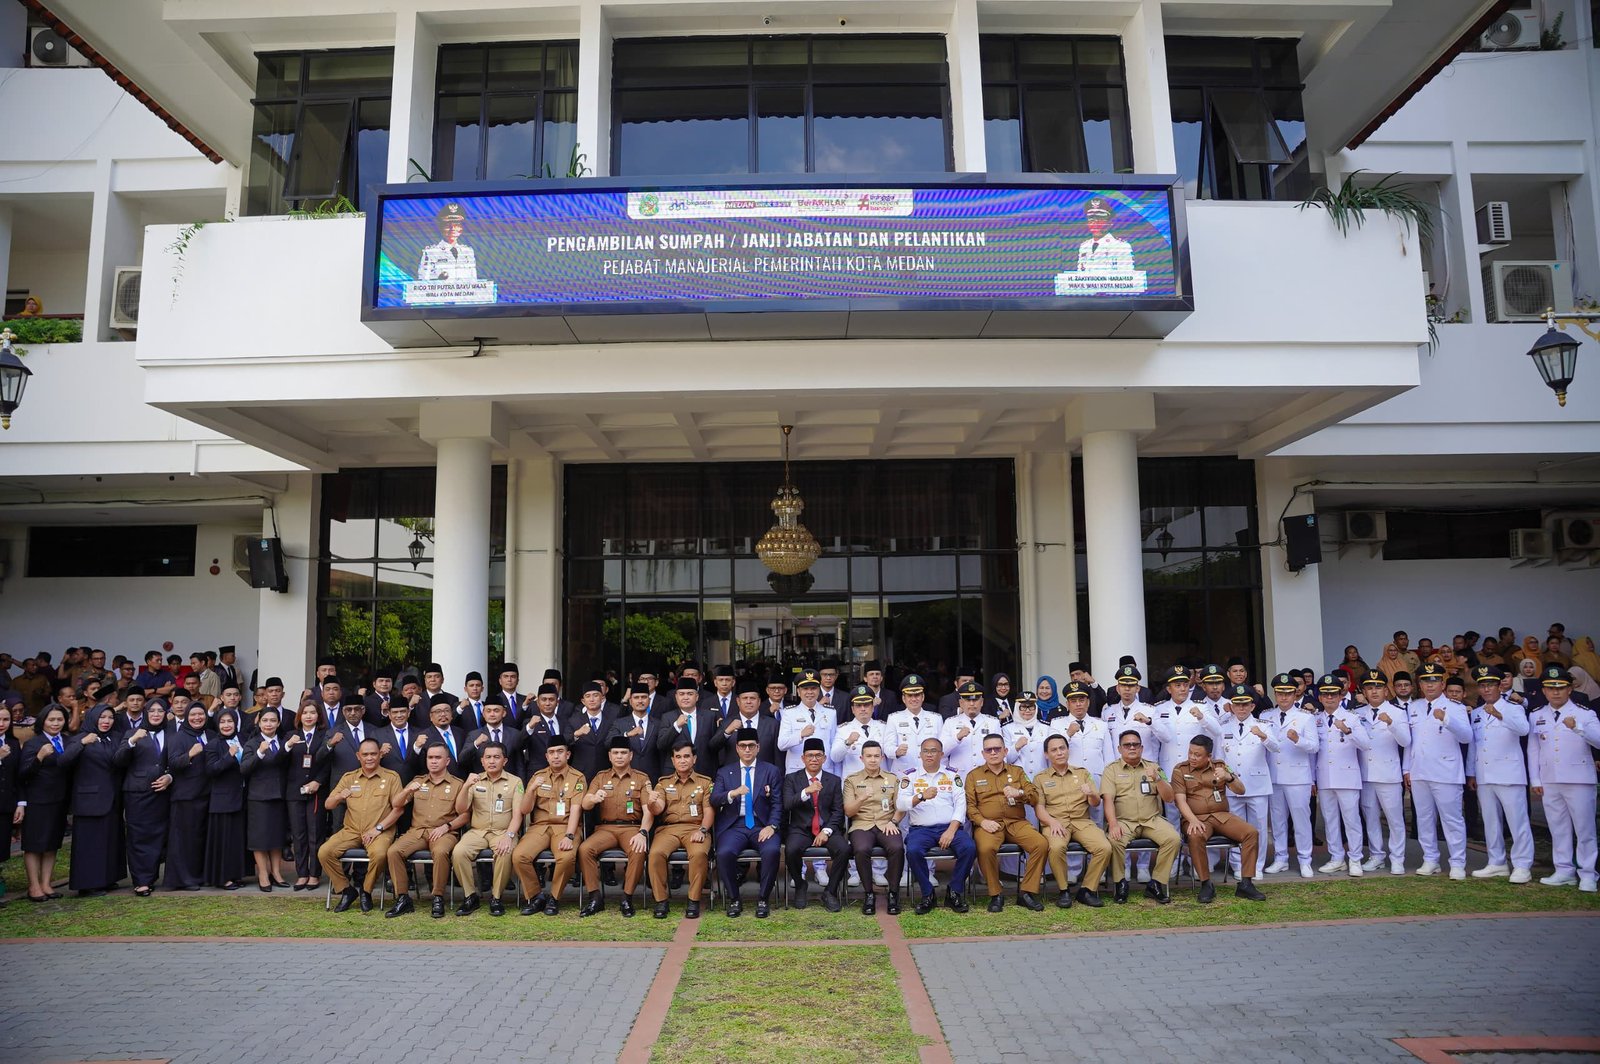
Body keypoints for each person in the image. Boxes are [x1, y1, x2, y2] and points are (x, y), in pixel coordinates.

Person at [1526, 665, 1600, 892]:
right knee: (1558, 828)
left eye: (1560, 687)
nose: (1555, 692)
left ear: (1570, 689)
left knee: (1584, 829)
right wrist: (1536, 780)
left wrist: (1578, 728)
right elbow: (1533, 749)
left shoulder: (1584, 713)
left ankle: (1588, 873)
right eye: (1550, 688)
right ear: (1544, 690)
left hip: (1579, 779)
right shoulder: (1537, 714)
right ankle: (1564, 870)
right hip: (1550, 780)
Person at [1170, 736, 1268, 903]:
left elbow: (1241, 790)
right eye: (1190, 753)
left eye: (1197, 754)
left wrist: (1229, 777)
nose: (1192, 757)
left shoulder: (1220, 766)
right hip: (1196, 818)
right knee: (1195, 836)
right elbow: (1180, 800)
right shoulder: (1180, 770)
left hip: (1222, 816)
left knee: (1251, 833)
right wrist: (1192, 820)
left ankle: (1246, 883)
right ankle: (1206, 884)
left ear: (1209, 756)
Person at [1405, 662, 1473, 879]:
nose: (1430, 684)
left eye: (1434, 680)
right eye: (1426, 680)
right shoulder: (1413, 707)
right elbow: (1411, 742)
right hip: (1420, 771)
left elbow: (1466, 737)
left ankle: (1458, 862)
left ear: (1442, 683)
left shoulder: (1456, 707)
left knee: (1451, 819)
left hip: (1446, 771)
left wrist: (1447, 719)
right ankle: (1430, 859)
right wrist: (1407, 768)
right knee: (1424, 819)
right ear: (1420, 684)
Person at [318, 738, 401, 913]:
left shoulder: (391, 777)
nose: (369, 758)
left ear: (380, 754)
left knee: (379, 855)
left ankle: (366, 891)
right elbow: (328, 804)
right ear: (358, 756)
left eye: (373, 754)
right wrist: (340, 797)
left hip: (380, 831)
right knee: (324, 852)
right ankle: (347, 890)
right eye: (365, 754)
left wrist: (378, 829)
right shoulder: (349, 777)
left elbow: (398, 810)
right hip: (352, 830)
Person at [965, 733, 1047, 912]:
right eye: (989, 750)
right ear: (983, 753)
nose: (993, 753)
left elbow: (1034, 796)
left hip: (1016, 822)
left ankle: (1026, 892)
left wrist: (1019, 793)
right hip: (989, 824)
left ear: (1005, 751)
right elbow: (970, 806)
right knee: (985, 849)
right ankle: (996, 894)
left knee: (1041, 844)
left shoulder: (1017, 772)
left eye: (997, 749)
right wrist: (982, 821)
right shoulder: (973, 775)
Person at [1467, 666, 1533, 883]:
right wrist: (1471, 773)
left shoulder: (1513, 707)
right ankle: (1497, 862)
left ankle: (1522, 865)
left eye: (1490, 685)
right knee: (1490, 821)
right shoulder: (1477, 713)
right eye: (1482, 685)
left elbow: (1523, 730)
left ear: (1499, 686)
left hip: (1509, 774)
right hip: (1485, 774)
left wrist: (1500, 715)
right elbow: (1475, 746)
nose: (1486, 689)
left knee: (1517, 821)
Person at [384, 744, 466, 919]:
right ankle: (403, 898)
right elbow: (397, 804)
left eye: (438, 758)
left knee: (440, 851)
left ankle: (437, 897)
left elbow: (466, 815)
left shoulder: (458, 784)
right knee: (393, 851)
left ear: (447, 761)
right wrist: (407, 790)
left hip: (444, 832)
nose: (434, 761)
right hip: (418, 831)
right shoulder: (418, 781)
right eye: (430, 758)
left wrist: (448, 826)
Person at [1101, 729, 1181, 904]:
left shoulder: (1154, 767)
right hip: (1124, 822)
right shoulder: (1111, 770)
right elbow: (1108, 800)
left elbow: (1169, 798)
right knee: (1114, 841)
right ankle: (1120, 883)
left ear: (1142, 748)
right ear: (1120, 748)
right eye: (1127, 745)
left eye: (1135, 745)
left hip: (1151, 820)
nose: (1132, 748)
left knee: (1173, 839)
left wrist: (1158, 779)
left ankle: (1156, 883)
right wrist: (1113, 824)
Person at [578, 734, 654, 917]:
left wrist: (643, 833)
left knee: (638, 850)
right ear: (610, 756)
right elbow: (585, 803)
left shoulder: (642, 778)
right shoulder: (601, 777)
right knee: (585, 849)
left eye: (623, 753)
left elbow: (648, 810)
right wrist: (594, 799)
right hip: (606, 829)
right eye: (616, 753)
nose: (619, 756)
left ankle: (626, 898)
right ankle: (595, 897)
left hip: (632, 828)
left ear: (631, 756)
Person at [898, 737, 975, 914]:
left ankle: (954, 891)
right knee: (913, 851)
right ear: (920, 754)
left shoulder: (952, 775)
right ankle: (927, 894)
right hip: (921, 830)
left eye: (934, 751)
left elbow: (960, 805)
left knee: (969, 848)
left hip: (950, 827)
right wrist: (921, 796)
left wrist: (951, 830)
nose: (930, 754)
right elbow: (900, 805)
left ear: (941, 754)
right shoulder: (909, 776)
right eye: (926, 751)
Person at [711, 727, 783, 917]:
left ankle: (763, 899)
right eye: (743, 746)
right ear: (737, 748)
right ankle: (734, 899)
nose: (747, 750)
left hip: (762, 825)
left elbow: (777, 803)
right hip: (734, 826)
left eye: (751, 746)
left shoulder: (771, 771)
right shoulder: (725, 772)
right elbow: (714, 799)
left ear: (758, 747)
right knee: (724, 852)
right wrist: (732, 793)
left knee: (772, 850)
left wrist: (772, 826)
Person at [1033, 733, 1111, 907]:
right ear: (1047, 754)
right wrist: (1052, 822)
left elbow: (1096, 802)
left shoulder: (1083, 773)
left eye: (1062, 748)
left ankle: (1087, 890)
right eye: (1054, 750)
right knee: (1056, 847)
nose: (1059, 752)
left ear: (1068, 750)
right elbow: (1039, 808)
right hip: (1056, 822)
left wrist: (1091, 794)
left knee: (1104, 847)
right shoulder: (1040, 778)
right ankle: (1064, 890)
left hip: (1081, 821)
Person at [510, 735, 584, 916]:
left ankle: (554, 897)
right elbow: (525, 809)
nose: (555, 756)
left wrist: (569, 835)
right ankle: (536, 896)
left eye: (560, 752)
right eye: (551, 752)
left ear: (567, 755)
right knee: (519, 856)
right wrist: (531, 789)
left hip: (565, 827)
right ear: (546, 756)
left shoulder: (578, 778)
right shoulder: (538, 776)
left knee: (566, 858)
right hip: (540, 827)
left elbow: (576, 809)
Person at [450, 742, 522, 916]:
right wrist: (466, 785)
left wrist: (509, 836)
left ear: (504, 761)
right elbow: (460, 809)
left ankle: (496, 898)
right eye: (488, 757)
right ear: (482, 761)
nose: (492, 761)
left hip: (503, 831)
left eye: (496, 757)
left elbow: (518, 815)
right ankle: (470, 896)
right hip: (478, 832)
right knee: (459, 852)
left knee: (504, 852)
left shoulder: (515, 781)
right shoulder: (474, 781)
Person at [61, 704, 125, 895]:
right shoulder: (80, 738)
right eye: (102, 717)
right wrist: (83, 744)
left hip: (112, 798)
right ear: (92, 718)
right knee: (89, 844)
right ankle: (87, 884)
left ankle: (106, 878)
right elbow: (63, 762)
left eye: (110, 717)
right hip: (89, 800)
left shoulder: (115, 737)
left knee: (109, 840)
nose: (106, 721)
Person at [646, 739, 714, 919]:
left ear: (694, 759)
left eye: (686, 756)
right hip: (669, 829)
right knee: (655, 854)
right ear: (673, 760)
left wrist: (703, 830)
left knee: (699, 854)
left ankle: (693, 900)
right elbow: (658, 809)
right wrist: (651, 802)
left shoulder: (705, 783)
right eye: (678, 757)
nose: (682, 760)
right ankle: (661, 901)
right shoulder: (663, 783)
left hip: (696, 828)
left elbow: (708, 811)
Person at [113, 698, 174, 897]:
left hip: (162, 793)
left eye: (160, 710)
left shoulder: (173, 734)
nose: (156, 714)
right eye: (152, 710)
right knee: (138, 836)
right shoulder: (132, 733)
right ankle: (141, 880)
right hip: (137, 792)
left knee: (158, 835)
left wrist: (170, 776)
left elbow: (176, 762)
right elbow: (119, 760)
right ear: (146, 713)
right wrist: (132, 741)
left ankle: (151, 875)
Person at [1313, 674, 1370, 877]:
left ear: (1340, 695)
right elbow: (1314, 752)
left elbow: (1365, 744)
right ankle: (1337, 857)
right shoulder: (1316, 719)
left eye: (1333, 694)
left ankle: (1355, 858)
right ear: (1320, 698)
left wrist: (1347, 730)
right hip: (1325, 777)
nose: (1329, 698)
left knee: (1351, 819)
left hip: (1347, 777)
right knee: (1330, 820)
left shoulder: (1353, 718)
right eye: (1325, 694)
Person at [783, 737, 850, 912]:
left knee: (843, 849)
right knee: (791, 850)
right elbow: (787, 804)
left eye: (818, 755)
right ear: (803, 758)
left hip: (827, 828)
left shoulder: (833, 780)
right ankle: (800, 885)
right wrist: (806, 791)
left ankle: (830, 891)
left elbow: (838, 811)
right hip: (801, 829)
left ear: (824, 758)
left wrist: (826, 831)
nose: (814, 759)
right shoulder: (792, 779)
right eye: (810, 756)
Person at [1262, 673, 1318, 878]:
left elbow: (1314, 747)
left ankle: (1305, 859)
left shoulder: (1305, 717)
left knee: (1301, 820)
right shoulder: (1267, 716)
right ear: (1275, 694)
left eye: (1288, 693)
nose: (1284, 697)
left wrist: (1298, 739)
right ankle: (1281, 858)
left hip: (1297, 778)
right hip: (1275, 776)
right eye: (1279, 693)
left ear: (1295, 694)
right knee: (1277, 821)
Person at [1354, 671, 1410, 875]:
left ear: (1386, 690)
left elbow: (1405, 741)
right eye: (1369, 688)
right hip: (1365, 774)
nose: (1374, 691)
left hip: (1388, 773)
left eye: (1378, 687)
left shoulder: (1397, 712)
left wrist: (1391, 724)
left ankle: (1397, 858)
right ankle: (1376, 855)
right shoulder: (1358, 712)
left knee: (1394, 818)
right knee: (1371, 817)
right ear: (1364, 692)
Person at [1218, 684, 1275, 880]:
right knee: (1236, 827)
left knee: (1258, 827)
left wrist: (1264, 737)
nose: (1241, 708)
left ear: (1252, 706)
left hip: (1257, 785)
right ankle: (1237, 864)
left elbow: (1276, 748)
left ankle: (1256, 865)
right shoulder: (1223, 727)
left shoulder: (1264, 725)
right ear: (1231, 706)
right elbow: (1219, 758)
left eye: (1245, 704)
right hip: (1233, 786)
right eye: (1237, 704)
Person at [842, 740, 904, 915]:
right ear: (862, 758)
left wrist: (894, 822)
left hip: (887, 824)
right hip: (862, 824)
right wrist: (861, 798)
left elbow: (901, 807)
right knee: (861, 849)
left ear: (882, 758)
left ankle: (893, 893)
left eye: (877, 756)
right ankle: (869, 893)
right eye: (869, 756)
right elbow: (848, 811)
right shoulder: (852, 780)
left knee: (897, 847)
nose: (873, 760)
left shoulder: (892, 779)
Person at [163, 702, 213, 891]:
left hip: (207, 795)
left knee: (200, 839)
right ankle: (183, 879)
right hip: (186, 796)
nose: (197, 718)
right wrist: (190, 755)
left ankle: (200, 875)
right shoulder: (178, 737)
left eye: (201, 714)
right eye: (193, 715)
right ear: (186, 717)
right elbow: (173, 763)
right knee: (184, 840)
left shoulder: (211, 735)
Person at [240, 708, 290, 891]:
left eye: (273, 720)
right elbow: (244, 768)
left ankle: (276, 873)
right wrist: (260, 753)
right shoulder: (253, 743)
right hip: (259, 798)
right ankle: (262, 874)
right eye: (265, 720)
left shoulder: (283, 742)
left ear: (278, 723)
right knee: (259, 838)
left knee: (276, 837)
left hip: (279, 796)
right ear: (258, 723)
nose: (269, 724)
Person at [283, 702, 331, 891]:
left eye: (313, 713)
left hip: (316, 791)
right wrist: (287, 746)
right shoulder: (291, 736)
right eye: (305, 713)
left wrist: (318, 781)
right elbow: (281, 760)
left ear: (318, 716)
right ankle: (301, 874)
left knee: (315, 834)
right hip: (294, 791)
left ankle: (314, 874)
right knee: (298, 835)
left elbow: (328, 763)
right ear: (299, 716)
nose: (309, 716)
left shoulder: (324, 735)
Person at [203, 709, 248, 890]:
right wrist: (229, 756)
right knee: (223, 841)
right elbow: (211, 770)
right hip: (223, 800)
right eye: (222, 722)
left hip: (242, 797)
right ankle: (223, 878)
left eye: (230, 721)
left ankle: (236, 874)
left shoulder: (243, 739)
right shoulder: (213, 744)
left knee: (237, 840)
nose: (226, 725)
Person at [941, 680, 1001, 775]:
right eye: (968, 700)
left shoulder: (993, 723)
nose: (972, 704)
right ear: (961, 703)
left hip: (987, 775)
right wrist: (957, 738)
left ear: (982, 702)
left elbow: (1000, 753)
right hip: (959, 777)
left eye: (975, 700)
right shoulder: (950, 722)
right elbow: (941, 752)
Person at [417, 201, 479, 280]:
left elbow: (474, 282)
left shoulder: (468, 252)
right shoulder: (430, 253)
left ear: (461, 228)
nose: (452, 229)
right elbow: (422, 284)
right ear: (441, 227)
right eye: (448, 225)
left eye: (456, 224)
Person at [1076, 196, 1135, 273]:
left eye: (1100, 219)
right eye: (1091, 219)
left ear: (1110, 223)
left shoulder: (1121, 246)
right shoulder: (1084, 246)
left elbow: (1128, 279)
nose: (1095, 222)